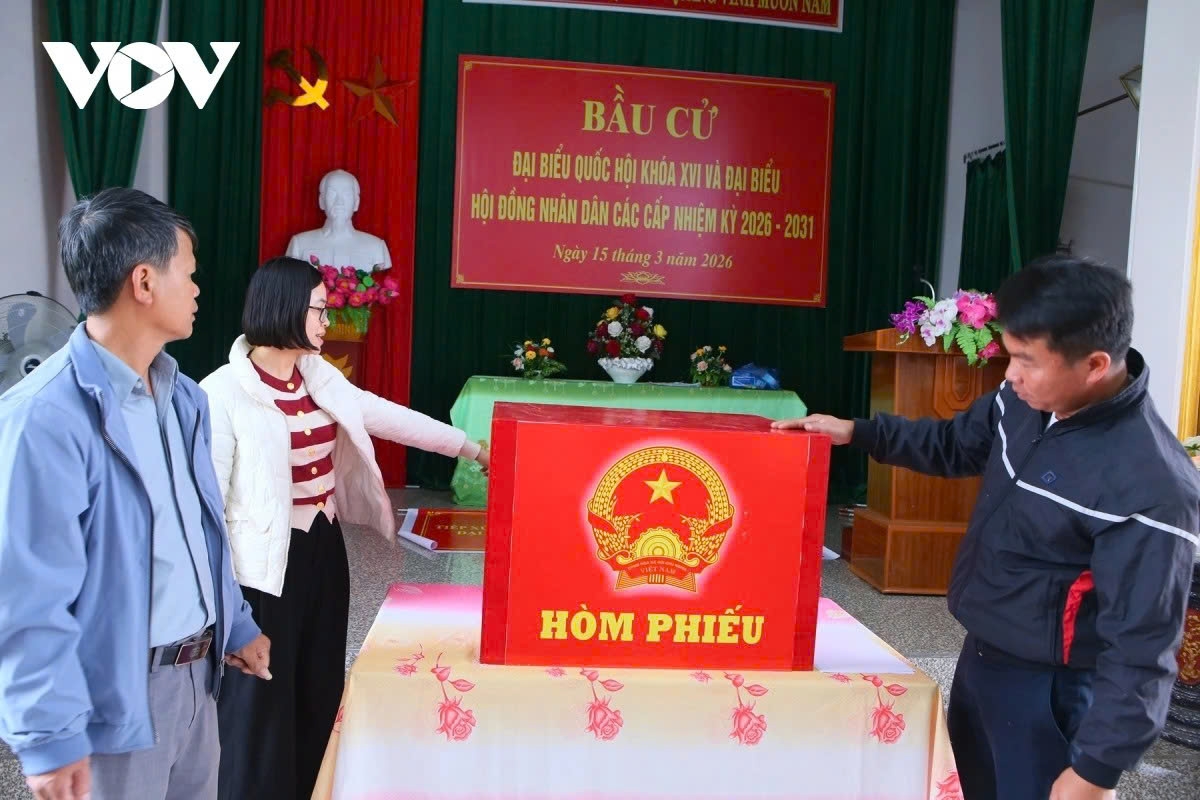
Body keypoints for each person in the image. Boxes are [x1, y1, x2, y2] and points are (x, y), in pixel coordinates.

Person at [773, 257, 1199, 800]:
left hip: (1052, 693)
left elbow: (1142, 646)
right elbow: (953, 445)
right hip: (981, 656)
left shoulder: (1152, 487)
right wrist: (856, 432)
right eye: (1008, 353)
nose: (1009, 375)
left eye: (1026, 361)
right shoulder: (1026, 401)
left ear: (1094, 365)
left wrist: (1095, 770)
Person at [0, 188, 272, 800]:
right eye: (190, 274)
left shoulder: (184, 400)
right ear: (144, 281)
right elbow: (25, 596)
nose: (199, 290)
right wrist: (47, 737)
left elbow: (200, 534)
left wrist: (234, 627)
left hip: (199, 685)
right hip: (113, 699)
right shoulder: (44, 418)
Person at [199, 256, 489, 799]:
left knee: (319, 683)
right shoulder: (221, 393)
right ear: (285, 309)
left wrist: (470, 449)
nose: (327, 321)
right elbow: (206, 509)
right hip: (262, 573)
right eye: (319, 309)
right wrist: (226, 612)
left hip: (323, 551)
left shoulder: (319, 376)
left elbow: (389, 416)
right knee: (260, 703)